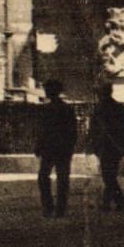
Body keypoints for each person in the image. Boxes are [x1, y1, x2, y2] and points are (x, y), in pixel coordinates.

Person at [88, 82, 124, 211]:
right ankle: (111, 202)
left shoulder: (98, 109)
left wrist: (93, 144)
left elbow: (92, 130)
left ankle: (114, 202)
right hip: (116, 146)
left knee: (108, 175)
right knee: (110, 175)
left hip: (105, 146)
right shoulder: (120, 108)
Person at [35, 79, 77, 217]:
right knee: (62, 178)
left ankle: (49, 207)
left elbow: (43, 130)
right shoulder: (67, 109)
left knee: (44, 177)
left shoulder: (46, 109)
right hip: (62, 148)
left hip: (50, 147)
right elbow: (73, 131)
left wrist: (39, 145)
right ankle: (59, 208)